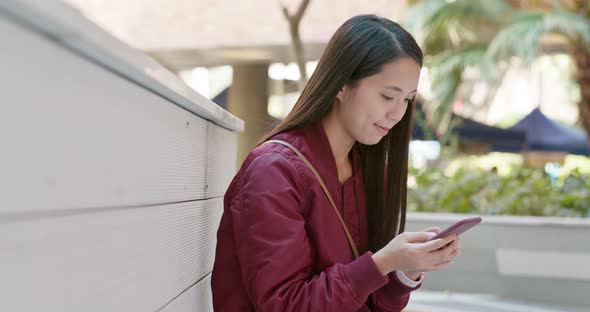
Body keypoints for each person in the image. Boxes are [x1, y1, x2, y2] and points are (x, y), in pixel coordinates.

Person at [211, 14, 461, 311]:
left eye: (407, 99)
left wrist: (407, 268)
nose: (398, 113)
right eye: (387, 96)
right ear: (341, 85)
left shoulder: (365, 171)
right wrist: (383, 261)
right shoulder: (273, 172)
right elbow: (288, 305)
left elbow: (370, 301)